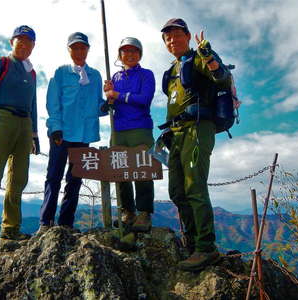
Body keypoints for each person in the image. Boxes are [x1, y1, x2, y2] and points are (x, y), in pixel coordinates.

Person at [160, 18, 232, 271]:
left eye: (177, 35)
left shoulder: (199, 57)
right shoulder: (171, 71)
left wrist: (208, 55)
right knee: (177, 191)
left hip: (198, 129)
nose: (172, 40)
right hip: (176, 134)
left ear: (188, 36)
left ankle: (206, 248)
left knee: (195, 187)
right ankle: (191, 243)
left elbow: (221, 77)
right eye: (168, 37)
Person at [0, 25, 39, 240]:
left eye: (28, 41)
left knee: (19, 178)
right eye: (19, 39)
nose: (24, 44)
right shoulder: (0, 63)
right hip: (2, 118)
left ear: (33, 46)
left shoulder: (31, 72)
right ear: (12, 42)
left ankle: (10, 229)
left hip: (25, 123)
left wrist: (35, 135)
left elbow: (34, 104)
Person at [38, 32, 108, 232]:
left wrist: (108, 104)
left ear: (87, 49)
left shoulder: (95, 76)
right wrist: (55, 128)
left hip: (83, 135)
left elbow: (96, 106)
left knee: (75, 180)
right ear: (69, 50)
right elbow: (52, 102)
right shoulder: (60, 72)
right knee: (53, 176)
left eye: (82, 47)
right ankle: (45, 222)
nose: (78, 51)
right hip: (62, 133)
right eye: (74, 47)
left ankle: (66, 223)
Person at [104, 37, 156, 232]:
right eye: (125, 51)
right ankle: (128, 212)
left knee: (143, 169)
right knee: (120, 170)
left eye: (134, 51)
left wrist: (117, 95)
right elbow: (110, 105)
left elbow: (144, 99)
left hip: (140, 127)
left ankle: (144, 213)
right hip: (118, 129)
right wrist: (108, 96)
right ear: (120, 55)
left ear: (140, 54)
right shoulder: (115, 78)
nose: (130, 54)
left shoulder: (146, 75)